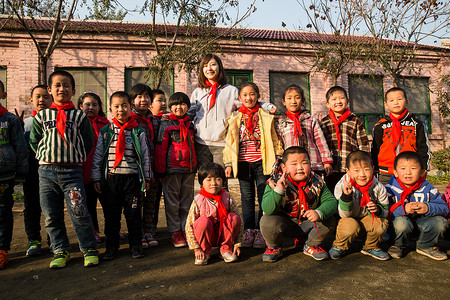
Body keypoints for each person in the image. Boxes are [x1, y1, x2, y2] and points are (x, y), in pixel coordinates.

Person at [29, 70, 99, 269]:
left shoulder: (79, 116)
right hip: (46, 174)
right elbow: (34, 141)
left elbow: (87, 141)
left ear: (73, 90)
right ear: (50, 90)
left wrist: (73, 156)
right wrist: (47, 156)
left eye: (66, 85)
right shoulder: (42, 116)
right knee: (52, 215)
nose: (62, 89)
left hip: (72, 173)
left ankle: (89, 249)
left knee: (79, 212)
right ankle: (60, 250)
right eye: (58, 85)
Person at [92, 91, 151, 260]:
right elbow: (98, 157)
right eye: (116, 106)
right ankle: (111, 247)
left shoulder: (138, 131)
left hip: (131, 180)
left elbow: (145, 156)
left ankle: (136, 246)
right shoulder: (106, 132)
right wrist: (96, 178)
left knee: (133, 215)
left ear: (131, 107)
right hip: (111, 181)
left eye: (124, 105)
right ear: (110, 109)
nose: (121, 109)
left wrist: (146, 178)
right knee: (111, 216)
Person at [189, 53, 276, 168]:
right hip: (201, 143)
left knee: (221, 181)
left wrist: (267, 106)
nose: (209, 69)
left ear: (219, 67)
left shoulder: (231, 91)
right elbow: (189, 113)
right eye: (205, 66)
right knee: (205, 180)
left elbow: (249, 103)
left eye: (213, 65)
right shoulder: (198, 92)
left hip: (222, 144)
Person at [223, 82, 283, 249]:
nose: (248, 97)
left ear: (257, 96)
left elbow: (274, 137)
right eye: (245, 95)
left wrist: (278, 157)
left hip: (262, 162)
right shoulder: (235, 117)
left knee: (264, 196)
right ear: (240, 98)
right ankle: (249, 230)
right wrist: (228, 163)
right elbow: (230, 142)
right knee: (246, 198)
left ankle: (261, 230)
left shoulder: (264, 115)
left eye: (252, 94)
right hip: (243, 163)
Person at [260, 146, 337, 262]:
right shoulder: (274, 182)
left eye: (304, 163)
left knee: (329, 220)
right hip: (285, 223)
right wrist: (279, 190)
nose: (300, 168)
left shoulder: (318, 182)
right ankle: (274, 247)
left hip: (307, 222)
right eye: (294, 164)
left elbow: (331, 202)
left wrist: (319, 212)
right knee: (267, 220)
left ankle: (311, 244)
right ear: (284, 167)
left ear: (310, 165)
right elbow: (267, 208)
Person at [386, 151, 449, 260]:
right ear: (395, 172)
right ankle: (397, 245)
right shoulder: (390, 188)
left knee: (440, 222)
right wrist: (403, 209)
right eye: (403, 168)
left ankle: (426, 245)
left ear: (422, 172)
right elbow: (384, 209)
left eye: (413, 168)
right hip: (402, 224)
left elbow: (444, 208)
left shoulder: (429, 189)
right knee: (400, 223)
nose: (408, 172)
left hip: (423, 223)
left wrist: (427, 207)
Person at [329, 150, 390, 260]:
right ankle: (339, 245)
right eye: (356, 170)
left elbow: (385, 211)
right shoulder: (342, 186)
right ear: (348, 171)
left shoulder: (378, 186)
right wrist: (346, 196)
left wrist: (378, 209)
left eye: (366, 170)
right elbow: (344, 215)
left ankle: (370, 246)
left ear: (373, 169)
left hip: (366, 218)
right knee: (350, 226)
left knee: (381, 223)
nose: (362, 174)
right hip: (349, 218)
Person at [155, 92, 197, 247]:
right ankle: (175, 232)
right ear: (170, 107)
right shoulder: (166, 124)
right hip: (171, 170)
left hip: (188, 171)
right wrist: (160, 170)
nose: (179, 107)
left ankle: (186, 229)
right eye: (175, 104)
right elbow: (160, 149)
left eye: (183, 104)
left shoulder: (191, 124)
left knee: (187, 202)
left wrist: (195, 166)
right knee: (172, 203)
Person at [185, 163, 243, 265]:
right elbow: (189, 226)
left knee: (234, 218)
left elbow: (240, 222)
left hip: (223, 235)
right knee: (203, 221)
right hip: (205, 237)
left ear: (223, 181)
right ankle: (204, 251)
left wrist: (237, 244)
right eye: (209, 179)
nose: (214, 183)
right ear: (201, 182)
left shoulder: (227, 197)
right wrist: (196, 248)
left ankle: (225, 249)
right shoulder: (198, 200)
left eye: (218, 179)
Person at [371, 87, 431, 185]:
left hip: (410, 172)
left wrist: (424, 167)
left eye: (399, 99)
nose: (396, 102)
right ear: (386, 105)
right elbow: (375, 149)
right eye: (391, 100)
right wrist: (374, 168)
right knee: (386, 199)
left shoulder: (416, 123)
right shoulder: (380, 125)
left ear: (406, 101)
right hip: (385, 172)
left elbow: (423, 147)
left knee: (410, 199)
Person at [0, 80, 29, 268]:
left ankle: (2, 249)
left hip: (4, 176)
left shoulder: (9, 119)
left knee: (2, 212)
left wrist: (21, 173)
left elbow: (21, 147)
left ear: (3, 95)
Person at [275, 84, 333, 177]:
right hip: (292, 167)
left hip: (312, 164)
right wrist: (279, 163)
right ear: (283, 101)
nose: (293, 101)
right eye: (289, 98)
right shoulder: (280, 122)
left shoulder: (310, 120)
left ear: (302, 100)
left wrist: (327, 161)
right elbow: (279, 146)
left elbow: (320, 141)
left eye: (297, 98)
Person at [320, 86, 370, 192]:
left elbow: (363, 143)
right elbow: (321, 144)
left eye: (341, 98)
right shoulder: (324, 122)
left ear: (347, 101)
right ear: (327, 104)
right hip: (332, 167)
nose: (338, 101)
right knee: (333, 193)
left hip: (351, 167)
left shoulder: (355, 120)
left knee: (352, 193)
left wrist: (363, 163)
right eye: (334, 99)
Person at [22, 85, 52, 257]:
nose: (42, 100)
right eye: (38, 97)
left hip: (50, 171)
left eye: (45, 97)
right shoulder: (26, 123)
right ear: (31, 100)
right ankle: (33, 240)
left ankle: (53, 240)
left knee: (51, 208)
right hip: (31, 171)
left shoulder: (57, 120)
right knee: (31, 207)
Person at [129, 83, 158, 249]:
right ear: (133, 100)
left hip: (153, 170)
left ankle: (148, 232)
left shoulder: (154, 120)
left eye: (147, 97)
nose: (143, 100)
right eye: (139, 97)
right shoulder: (130, 120)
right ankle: (138, 234)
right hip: (136, 171)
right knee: (136, 203)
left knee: (151, 203)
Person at [78, 92, 109, 244]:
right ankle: (94, 231)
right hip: (85, 171)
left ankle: (112, 230)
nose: (91, 107)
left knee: (109, 204)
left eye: (94, 105)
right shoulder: (77, 123)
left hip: (104, 172)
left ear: (100, 107)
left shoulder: (106, 124)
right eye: (87, 104)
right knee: (89, 204)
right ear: (80, 106)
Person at [148, 89, 166, 235]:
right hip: (151, 168)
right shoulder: (149, 121)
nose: (164, 103)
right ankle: (149, 228)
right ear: (150, 104)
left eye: (165, 100)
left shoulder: (167, 120)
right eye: (159, 100)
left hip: (165, 168)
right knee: (150, 200)